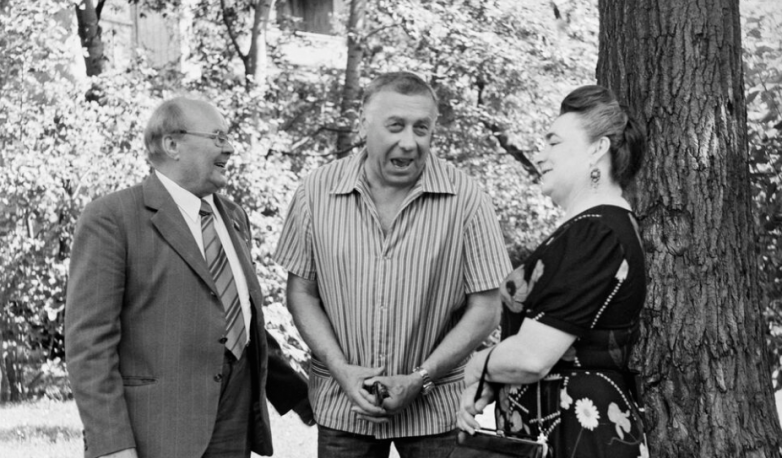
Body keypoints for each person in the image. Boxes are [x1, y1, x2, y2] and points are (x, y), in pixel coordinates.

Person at [274, 72, 512, 458]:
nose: (409, 142)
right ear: (363, 125)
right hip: (344, 408)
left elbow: (487, 307)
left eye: (421, 128)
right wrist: (341, 370)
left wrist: (421, 378)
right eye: (395, 126)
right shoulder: (314, 192)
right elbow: (301, 293)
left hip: (437, 411)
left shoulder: (467, 198)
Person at [65, 97, 312, 458]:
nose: (229, 148)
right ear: (172, 145)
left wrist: (304, 397)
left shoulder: (234, 216)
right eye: (217, 137)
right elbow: (89, 344)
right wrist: (112, 445)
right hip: (158, 432)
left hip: (235, 425)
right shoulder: (112, 218)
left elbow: (240, 322)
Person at [456, 84, 648, 458]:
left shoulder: (598, 232)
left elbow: (532, 357)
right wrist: (495, 377)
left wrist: (479, 366)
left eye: (554, 143)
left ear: (597, 149)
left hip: (578, 434)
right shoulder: (593, 229)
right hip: (563, 428)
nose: (540, 155)